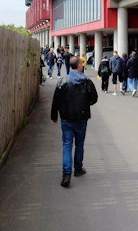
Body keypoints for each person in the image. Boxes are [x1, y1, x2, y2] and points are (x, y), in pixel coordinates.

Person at [51, 56, 98, 188]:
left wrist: (54, 116)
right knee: (79, 144)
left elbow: (56, 100)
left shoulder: (62, 81)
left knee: (67, 145)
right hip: (81, 118)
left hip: (66, 118)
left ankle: (66, 174)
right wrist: (84, 104)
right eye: (81, 64)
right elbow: (94, 99)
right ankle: (78, 168)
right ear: (79, 66)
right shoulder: (87, 81)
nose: (82, 65)